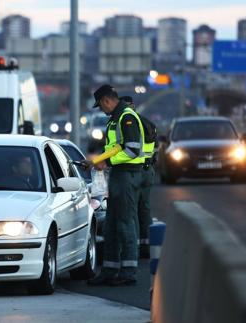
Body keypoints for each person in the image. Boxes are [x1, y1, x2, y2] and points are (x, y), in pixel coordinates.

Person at [82, 84, 145, 286]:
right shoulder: (116, 119)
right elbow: (116, 147)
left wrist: (106, 162)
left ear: (106, 101)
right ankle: (109, 270)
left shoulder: (127, 117)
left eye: (100, 106)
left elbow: (133, 150)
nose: (101, 109)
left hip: (128, 175)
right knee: (111, 225)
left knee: (125, 224)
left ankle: (128, 271)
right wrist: (96, 161)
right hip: (118, 175)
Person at [121, 96, 156, 259]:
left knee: (132, 209)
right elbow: (155, 147)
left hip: (134, 170)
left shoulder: (128, 122)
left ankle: (133, 247)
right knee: (145, 208)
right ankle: (147, 246)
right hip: (148, 170)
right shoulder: (147, 122)